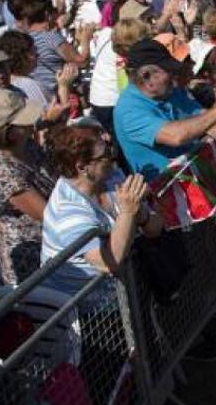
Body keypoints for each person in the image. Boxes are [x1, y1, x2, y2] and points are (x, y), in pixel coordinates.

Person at [41, 124, 162, 303]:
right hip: (90, 313)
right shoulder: (68, 213)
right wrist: (128, 212)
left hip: (126, 293)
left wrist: (141, 213)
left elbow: (156, 227)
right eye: (105, 155)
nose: (113, 158)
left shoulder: (110, 176)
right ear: (82, 167)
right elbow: (110, 262)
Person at [113, 38, 216, 180]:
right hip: (168, 194)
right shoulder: (128, 110)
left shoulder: (171, 91)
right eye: (168, 71)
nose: (173, 76)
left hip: (198, 180)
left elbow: (202, 115)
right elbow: (176, 136)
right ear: (146, 76)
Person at [0, 89, 55, 286]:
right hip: (33, 262)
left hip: (53, 244)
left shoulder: (25, 145)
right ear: (7, 131)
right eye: (23, 121)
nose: (31, 123)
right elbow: (47, 215)